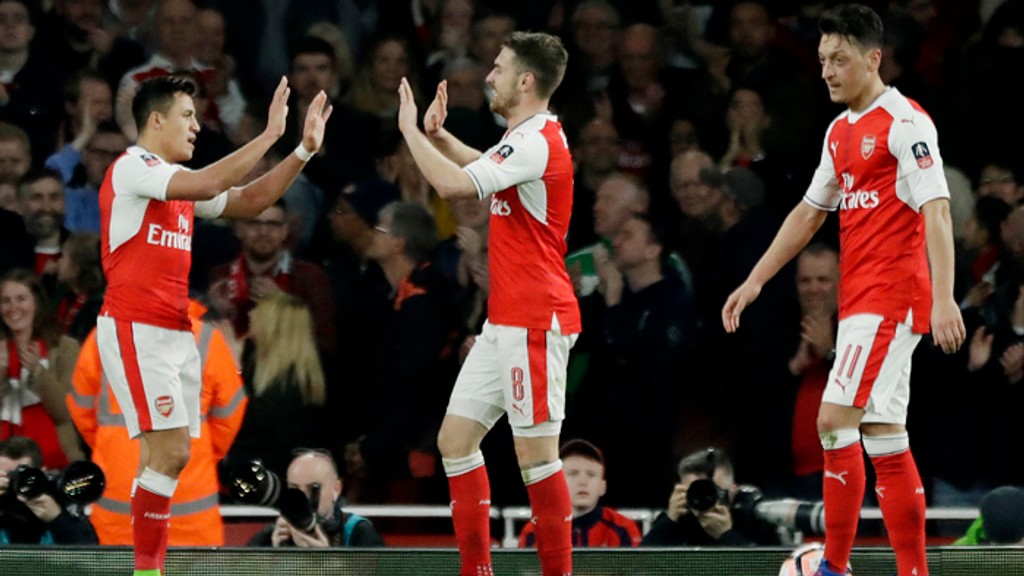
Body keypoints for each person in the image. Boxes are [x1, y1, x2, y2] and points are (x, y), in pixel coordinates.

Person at [721, 5, 966, 576]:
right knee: (885, 439)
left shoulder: (906, 123)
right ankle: (913, 571)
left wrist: (945, 296)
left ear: (873, 58)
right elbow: (809, 213)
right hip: (860, 300)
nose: (827, 71)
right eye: (822, 59)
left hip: (890, 297)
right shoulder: (839, 131)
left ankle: (833, 566)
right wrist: (755, 280)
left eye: (839, 59)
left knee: (832, 421)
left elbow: (937, 210)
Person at [96, 74, 330, 576]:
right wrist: (269, 136)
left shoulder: (175, 184)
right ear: (155, 120)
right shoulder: (133, 168)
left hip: (173, 329)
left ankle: (148, 565)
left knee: (171, 457)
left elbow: (248, 202)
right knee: (171, 451)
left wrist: (302, 152)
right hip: (137, 326)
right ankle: (146, 570)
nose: (196, 126)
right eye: (187, 116)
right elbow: (209, 183)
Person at [396, 31, 580, 576]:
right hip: (506, 320)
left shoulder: (534, 139)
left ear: (526, 80)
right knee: (455, 440)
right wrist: (439, 136)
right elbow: (485, 169)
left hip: (535, 319)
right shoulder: (525, 138)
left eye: (499, 68)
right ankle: (476, 571)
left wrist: (410, 132)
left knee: (537, 458)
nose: (489, 76)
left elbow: (454, 188)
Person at [67, 299, 246, 546]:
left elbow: (81, 408)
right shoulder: (206, 338)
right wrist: (199, 454)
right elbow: (230, 412)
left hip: (119, 518)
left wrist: (111, 448)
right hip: (191, 516)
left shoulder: (103, 337)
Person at [0, 269, 85, 469]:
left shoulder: (65, 349)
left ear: (36, 303)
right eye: (5, 301)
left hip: (55, 462)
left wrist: (38, 372)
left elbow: (67, 413)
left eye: (21, 299)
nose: (13, 308)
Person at [640, 447, 779, 547]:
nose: (704, 498)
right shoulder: (678, 520)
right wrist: (669, 522)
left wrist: (727, 536)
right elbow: (640, 567)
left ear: (732, 491)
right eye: (695, 491)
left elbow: (771, 570)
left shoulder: (753, 519)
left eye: (712, 490)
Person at [247, 449, 384, 548]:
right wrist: (273, 559)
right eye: (294, 489)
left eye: (313, 489)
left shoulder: (359, 533)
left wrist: (325, 564)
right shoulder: (269, 537)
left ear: (336, 489)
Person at [518, 439, 640, 548]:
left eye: (591, 474)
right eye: (573, 473)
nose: (583, 482)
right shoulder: (535, 532)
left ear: (602, 487)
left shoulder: (623, 529)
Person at [0, 435, 97, 545]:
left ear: (42, 473)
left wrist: (58, 518)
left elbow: (89, 550)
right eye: (7, 477)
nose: (14, 483)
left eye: (22, 476)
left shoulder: (59, 502)